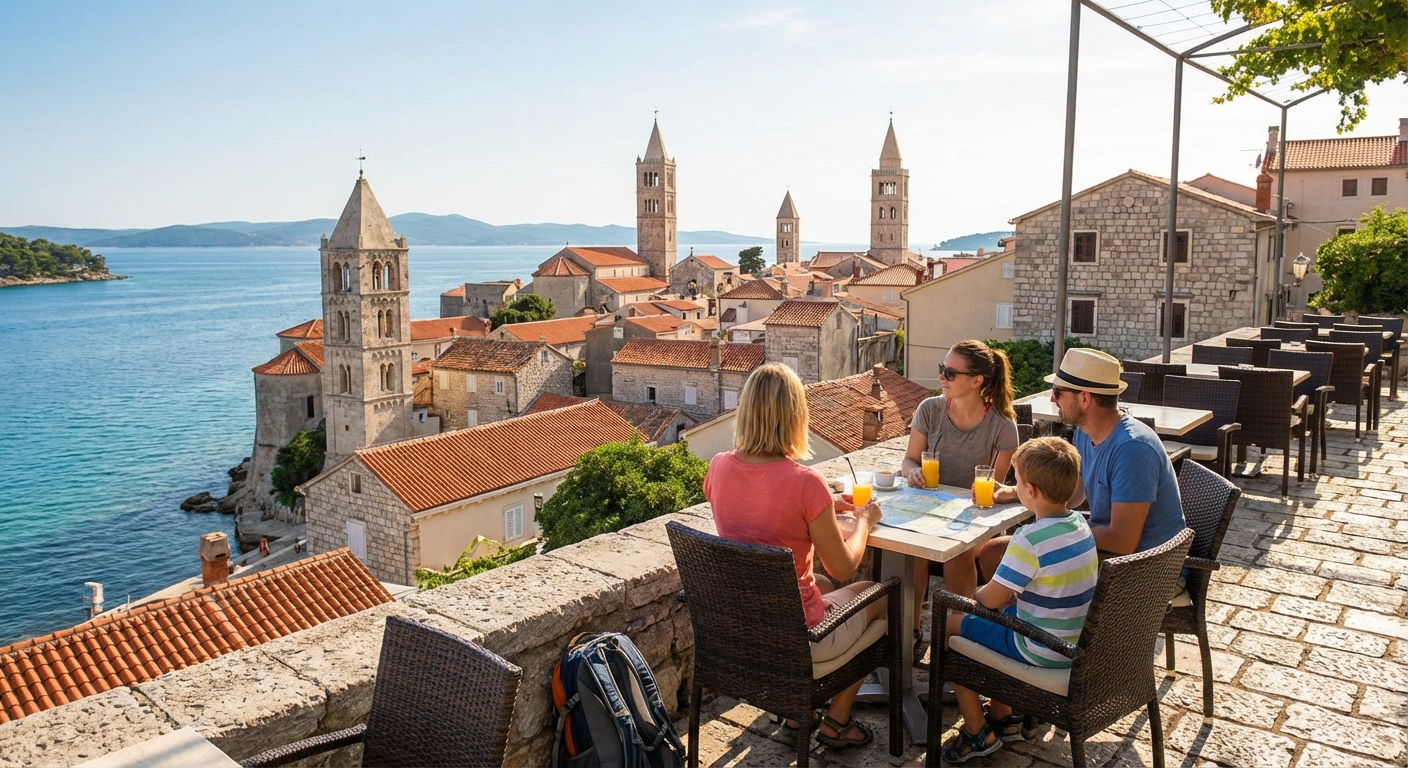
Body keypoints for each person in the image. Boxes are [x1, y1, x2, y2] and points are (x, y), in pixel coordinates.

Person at [704, 363, 887, 750]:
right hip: (799, 640)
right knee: (880, 595)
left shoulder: (718, 467)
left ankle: (793, 712)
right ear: (795, 415)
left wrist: (823, 507)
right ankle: (837, 722)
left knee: (815, 584)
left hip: (742, 631)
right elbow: (843, 568)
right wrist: (865, 522)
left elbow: (757, 514)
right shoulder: (806, 483)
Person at [940, 437, 1097, 762]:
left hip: (1040, 649)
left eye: (1018, 482)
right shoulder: (1080, 524)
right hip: (1072, 644)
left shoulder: (1030, 539)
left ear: (1032, 492)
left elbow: (991, 600)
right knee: (995, 617)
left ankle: (976, 732)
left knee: (951, 623)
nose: (1015, 487)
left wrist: (975, 595)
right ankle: (1004, 716)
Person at [981, 348, 1184, 579]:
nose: (1052, 398)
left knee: (1000, 554)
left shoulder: (1133, 449)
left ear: (1085, 398)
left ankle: (1025, 613)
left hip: (1140, 570)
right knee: (995, 552)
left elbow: (1123, 541)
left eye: (1058, 392)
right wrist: (1018, 492)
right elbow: (1074, 494)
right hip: (1108, 554)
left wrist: (1054, 536)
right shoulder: (1084, 434)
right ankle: (1022, 613)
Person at [900, 340, 1020, 630]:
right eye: (942, 369)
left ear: (977, 381)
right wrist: (913, 472)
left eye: (950, 373)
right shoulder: (930, 409)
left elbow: (993, 489)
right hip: (928, 511)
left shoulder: (1002, 425)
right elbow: (909, 461)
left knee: (959, 551)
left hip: (975, 519)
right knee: (913, 551)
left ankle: (956, 632)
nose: (942, 377)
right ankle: (911, 632)